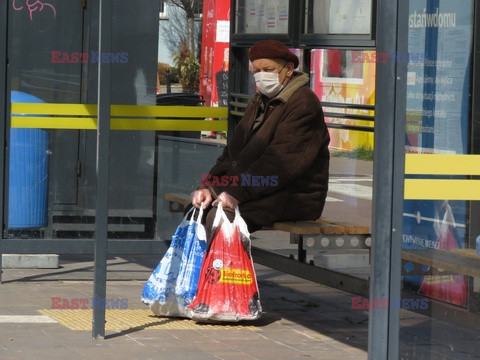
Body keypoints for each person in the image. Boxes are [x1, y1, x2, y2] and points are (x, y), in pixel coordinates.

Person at [189, 39, 330, 240]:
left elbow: (279, 164)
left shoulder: (304, 103)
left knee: (220, 219)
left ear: (289, 69)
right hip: (260, 191)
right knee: (197, 209)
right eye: (257, 70)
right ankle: (203, 271)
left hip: (293, 196)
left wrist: (235, 193)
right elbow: (232, 155)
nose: (261, 76)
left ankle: (221, 271)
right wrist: (208, 186)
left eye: (268, 69)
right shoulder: (260, 101)